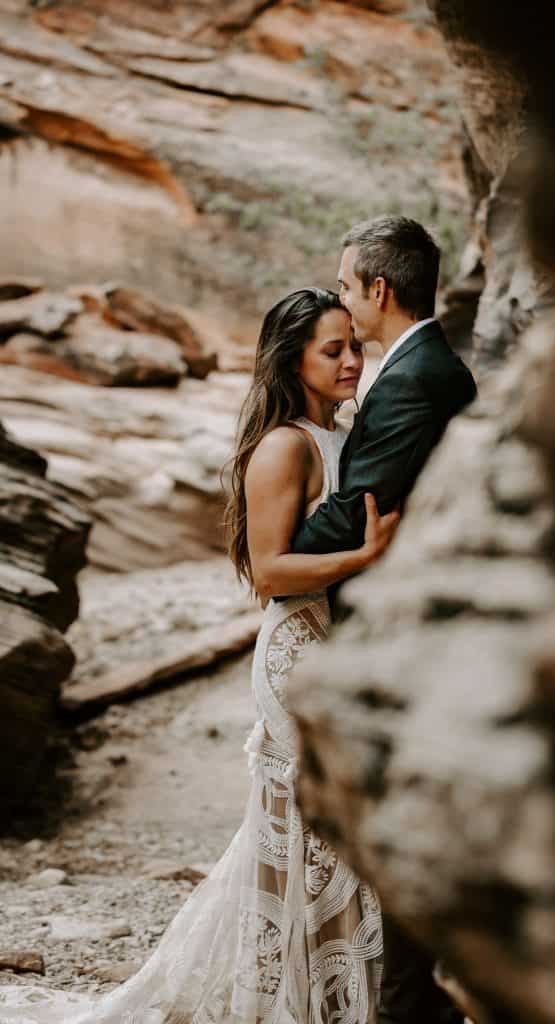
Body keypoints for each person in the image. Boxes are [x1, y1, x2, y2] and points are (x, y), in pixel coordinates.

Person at [0, 288, 398, 1024]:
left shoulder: (339, 432)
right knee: (316, 838)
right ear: (292, 360)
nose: (351, 360)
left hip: (336, 652)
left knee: (317, 842)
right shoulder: (286, 444)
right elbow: (270, 572)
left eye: (354, 344)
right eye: (331, 349)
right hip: (299, 654)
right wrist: (366, 554)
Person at [287, 218, 477, 1024]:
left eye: (343, 285)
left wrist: (274, 551)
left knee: (403, 835)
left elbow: (360, 506)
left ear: (378, 289)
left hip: (412, 640)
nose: (340, 300)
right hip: (411, 626)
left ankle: (407, 1006)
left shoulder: (415, 378)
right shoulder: (415, 369)